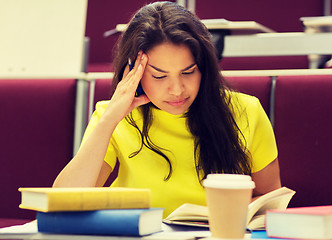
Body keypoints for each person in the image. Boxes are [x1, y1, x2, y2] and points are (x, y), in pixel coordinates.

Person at [53, 1, 281, 217]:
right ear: (134, 72)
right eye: (159, 76)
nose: (177, 90)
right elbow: (63, 202)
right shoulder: (113, 117)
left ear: (204, 68)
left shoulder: (246, 111)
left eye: (188, 72)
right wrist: (110, 119)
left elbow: (268, 200)